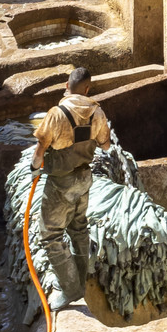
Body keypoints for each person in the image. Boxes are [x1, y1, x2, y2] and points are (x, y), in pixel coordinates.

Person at [27, 68, 111, 310]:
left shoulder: (56, 114)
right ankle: (80, 280)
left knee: (50, 235)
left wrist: (34, 170)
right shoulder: (97, 112)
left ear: (66, 85)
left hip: (60, 184)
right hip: (84, 179)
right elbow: (105, 147)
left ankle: (71, 289)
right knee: (78, 228)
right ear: (87, 89)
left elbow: (39, 150)